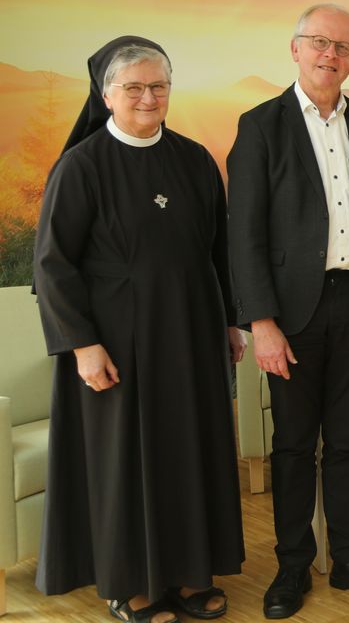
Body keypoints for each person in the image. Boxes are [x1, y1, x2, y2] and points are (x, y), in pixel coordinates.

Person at [33, 36, 245, 623]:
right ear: (107, 95)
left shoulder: (195, 158)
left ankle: (187, 572)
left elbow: (216, 251)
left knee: (189, 451)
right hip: (116, 345)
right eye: (134, 88)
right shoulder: (81, 166)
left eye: (159, 86)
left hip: (191, 338)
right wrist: (82, 345)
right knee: (127, 463)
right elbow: (51, 265)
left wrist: (230, 320)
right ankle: (130, 585)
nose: (148, 98)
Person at [227, 5, 349, 619]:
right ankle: (291, 565)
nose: (329, 54)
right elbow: (244, 235)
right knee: (292, 444)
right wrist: (261, 323)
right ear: (295, 48)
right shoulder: (260, 126)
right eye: (318, 43)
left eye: (341, 46)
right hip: (291, 315)